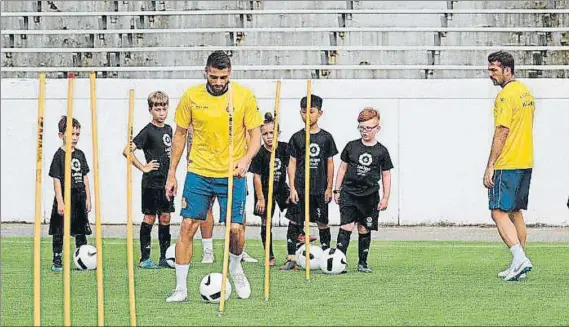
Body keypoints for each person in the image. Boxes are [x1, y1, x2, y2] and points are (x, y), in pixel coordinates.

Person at [164, 50, 262, 302]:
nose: (219, 82)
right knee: (187, 226)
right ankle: (180, 288)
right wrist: (172, 173)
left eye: (223, 77)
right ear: (206, 72)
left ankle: (236, 267)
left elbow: (256, 136)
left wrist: (246, 159)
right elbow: (179, 135)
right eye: (214, 77)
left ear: (230, 74)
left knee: (236, 229)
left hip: (232, 173)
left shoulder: (243, 96)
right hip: (199, 171)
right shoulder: (191, 96)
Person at [484, 51, 535, 281]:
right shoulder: (525, 92)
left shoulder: (505, 96)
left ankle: (519, 258)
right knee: (515, 212)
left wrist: (491, 165)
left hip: (509, 162)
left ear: (507, 69)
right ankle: (519, 264)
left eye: (494, 70)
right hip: (525, 160)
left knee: (497, 211)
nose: (490, 75)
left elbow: (502, 131)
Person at [280, 94, 338, 270]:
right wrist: (292, 188)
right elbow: (291, 163)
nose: (307, 116)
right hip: (300, 188)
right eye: (304, 112)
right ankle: (291, 258)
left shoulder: (326, 137)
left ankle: (327, 256)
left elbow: (329, 163)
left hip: (319, 189)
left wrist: (329, 187)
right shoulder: (297, 137)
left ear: (320, 113)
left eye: (311, 112)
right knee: (295, 221)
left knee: (322, 222)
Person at [333, 107, 393, 273]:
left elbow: (386, 175)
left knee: (363, 228)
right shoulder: (351, 146)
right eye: (362, 127)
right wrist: (336, 190)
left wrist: (386, 197)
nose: (365, 131)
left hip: (369, 197)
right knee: (346, 226)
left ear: (377, 129)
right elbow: (342, 168)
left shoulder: (382, 151)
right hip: (349, 193)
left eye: (369, 128)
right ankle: (339, 262)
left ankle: (362, 263)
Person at [122, 91, 174, 269]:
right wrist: (143, 167)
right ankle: (145, 258)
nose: (161, 112)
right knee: (150, 217)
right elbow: (127, 151)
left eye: (164, 108)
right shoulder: (147, 131)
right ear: (150, 110)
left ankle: (165, 257)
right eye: (157, 109)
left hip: (166, 182)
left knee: (166, 217)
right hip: (151, 182)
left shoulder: (168, 129)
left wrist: (172, 177)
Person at [48, 116, 92, 272]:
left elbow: (85, 177)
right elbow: (57, 180)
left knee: (80, 230)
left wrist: (88, 198)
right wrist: (60, 201)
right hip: (65, 198)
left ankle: (84, 256)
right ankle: (57, 258)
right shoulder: (59, 156)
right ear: (61, 135)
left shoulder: (80, 154)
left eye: (77, 134)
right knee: (59, 230)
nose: (74, 138)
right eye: (71, 134)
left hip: (79, 197)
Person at [250, 112, 291, 266]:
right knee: (266, 221)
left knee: (295, 205)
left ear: (278, 133)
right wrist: (260, 198)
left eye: (272, 133)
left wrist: (292, 189)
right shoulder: (259, 153)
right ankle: (270, 255)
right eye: (265, 133)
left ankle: (298, 236)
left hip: (280, 186)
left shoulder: (284, 148)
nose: (268, 137)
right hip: (265, 190)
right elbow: (256, 177)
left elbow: (291, 167)